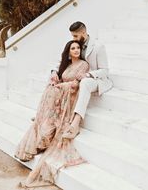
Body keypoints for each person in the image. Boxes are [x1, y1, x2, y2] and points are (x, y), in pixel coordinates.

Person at [15, 40, 89, 188]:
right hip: (59, 97)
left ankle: (43, 117)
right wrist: (55, 78)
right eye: (73, 48)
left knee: (53, 91)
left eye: (78, 48)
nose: (76, 50)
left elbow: (75, 85)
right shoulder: (65, 66)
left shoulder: (83, 64)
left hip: (69, 98)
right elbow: (58, 77)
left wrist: (60, 86)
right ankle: (42, 119)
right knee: (50, 87)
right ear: (68, 52)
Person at [52, 21, 113, 140]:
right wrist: (53, 72)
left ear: (83, 32)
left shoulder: (98, 47)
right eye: (72, 36)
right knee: (54, 78)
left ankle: (75, 125)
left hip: (95, 79)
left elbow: (104, 70)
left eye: (75, 35)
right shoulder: (76, 45)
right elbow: (63, 61)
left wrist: (88, 74)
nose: (73, 38)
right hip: (77, 76)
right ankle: (47, 115)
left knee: (84, 83)